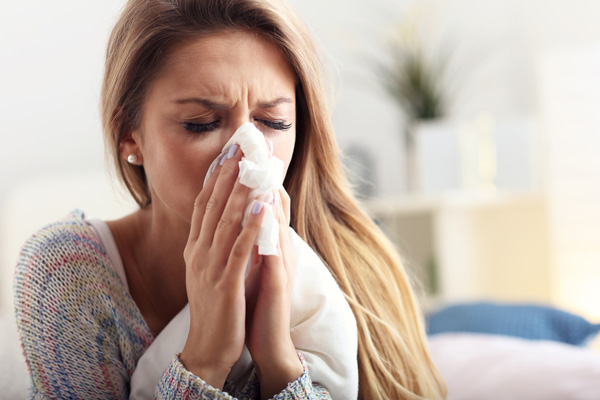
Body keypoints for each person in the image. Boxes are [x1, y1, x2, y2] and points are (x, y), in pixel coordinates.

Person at [13, 0, 447, 399]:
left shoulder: (353, 273)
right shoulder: (69, 274)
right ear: (131, 135)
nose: (245, 151)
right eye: (201, 123)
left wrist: (278, 358)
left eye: (272, 121)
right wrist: (205, 359)